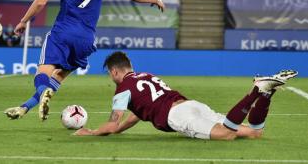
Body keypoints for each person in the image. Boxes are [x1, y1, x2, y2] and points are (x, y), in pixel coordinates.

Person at [4, 0, 165, 121]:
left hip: (62, 33)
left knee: (43, 72)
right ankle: (25, 107)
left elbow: (41, 2)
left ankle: (42, 93)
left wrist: (23, 21)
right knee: (58, 76)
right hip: (86, 40)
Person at [74, 51, 298, 140]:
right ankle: (266, 94)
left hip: (179, 116)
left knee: (225, 135)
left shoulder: (122, 89)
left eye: (109, 74)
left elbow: (113, 123)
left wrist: (91, 132)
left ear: (114, 71)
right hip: (191, 105)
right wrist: (120, 130)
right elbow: (138, 115)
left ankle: (256, 90)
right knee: (254, 133)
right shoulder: (146, 75)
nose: (110, 78)